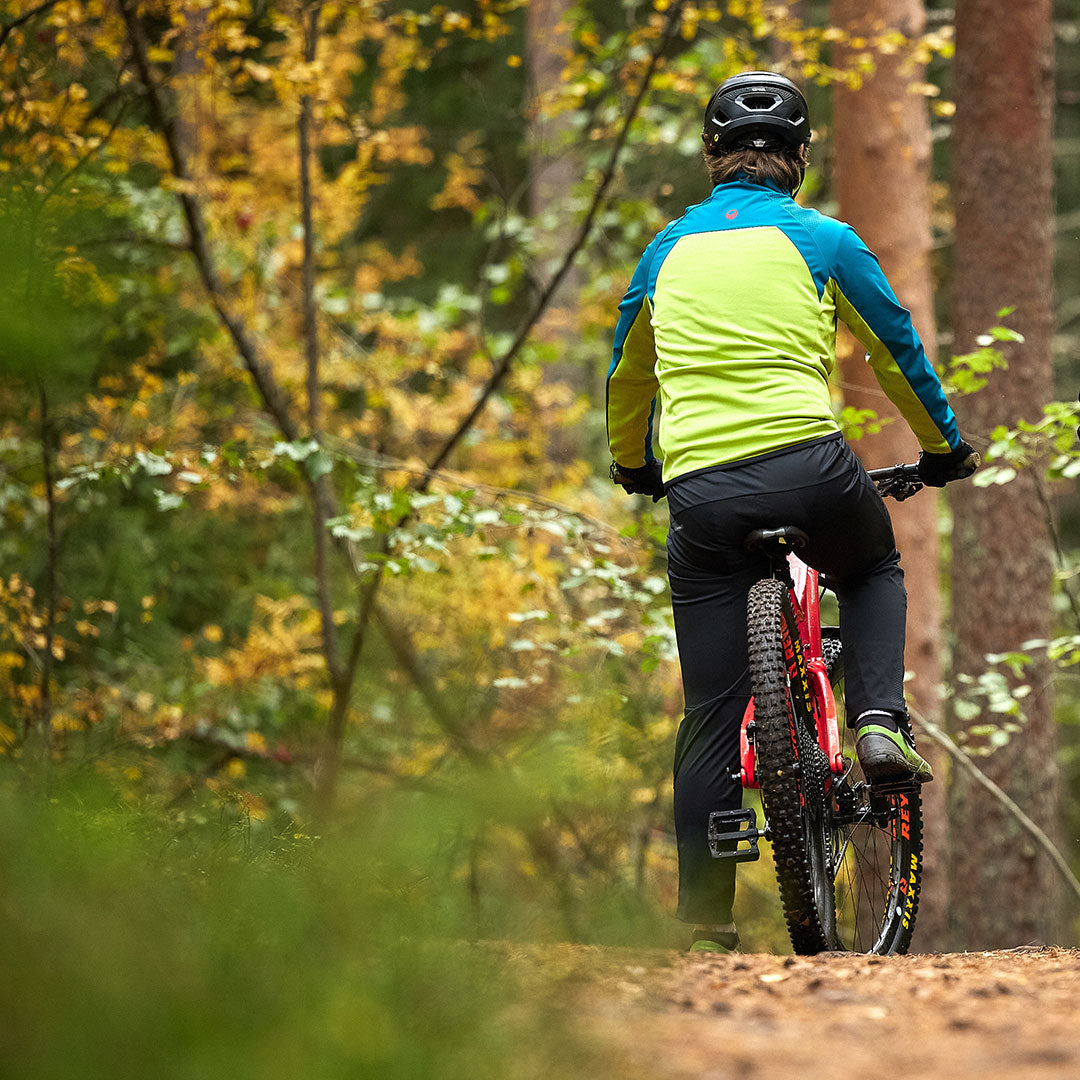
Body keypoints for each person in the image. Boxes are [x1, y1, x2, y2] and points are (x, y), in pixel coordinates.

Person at [605, 71, 978, 953]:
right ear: (800, 157)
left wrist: (635, 465)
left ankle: (705, 926)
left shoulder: (663, 252)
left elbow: (627, 373)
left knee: (708, 711)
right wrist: (944, 449)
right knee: (875, 566)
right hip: (811, 468)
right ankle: (878, 722)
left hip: (701, 493)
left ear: (712, 160)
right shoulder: (824, 239)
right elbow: (898, 353)